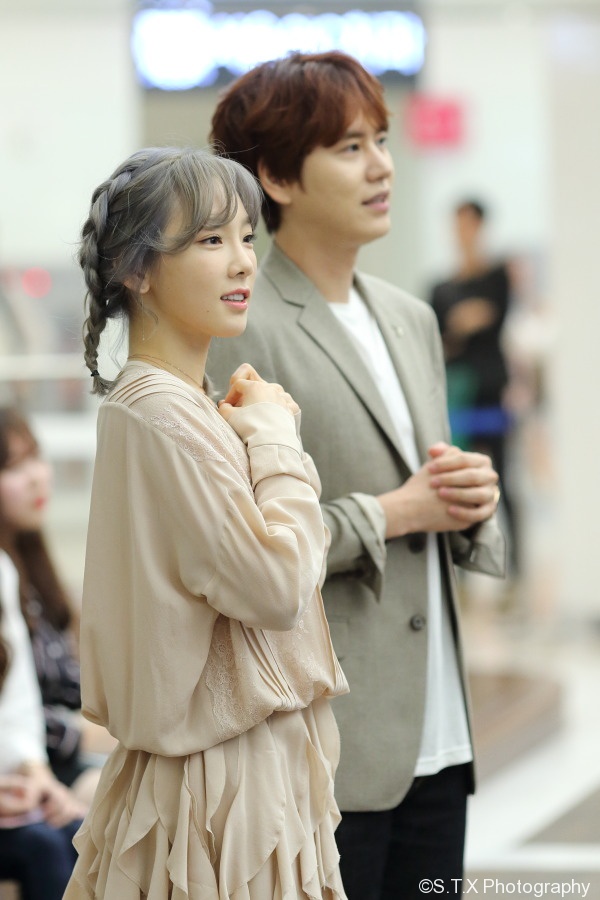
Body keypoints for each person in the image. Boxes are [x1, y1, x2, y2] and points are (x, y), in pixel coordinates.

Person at [207, 51, 505, 899]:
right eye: (349, 147)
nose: (381, 166)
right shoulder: (240, 329)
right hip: (328, 744)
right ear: (276, 176)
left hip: (440, 739)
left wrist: (470, 500)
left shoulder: (410, 318)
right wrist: (395, 512)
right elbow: (235, 546)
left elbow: (429, 494)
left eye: (381, 140)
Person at [63, 146, 349, 899]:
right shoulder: (164, 414)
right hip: (222, 780)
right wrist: (277, 439)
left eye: (247, 237)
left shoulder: (176, 405)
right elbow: (277, 586)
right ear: (137, 269)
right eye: (210, 240)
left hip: (235, 764)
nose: (242, 261)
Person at [0, 407, 112, 801]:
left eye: (36, 457)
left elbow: (72, 686)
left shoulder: (34, 571)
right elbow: (17, 711)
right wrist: (94, 733)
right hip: (33, 769)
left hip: (56, 762)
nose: (37, 476)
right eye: (14, 466)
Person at [430, 200, 519, 576]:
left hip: (491, 391)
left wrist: (464, 323)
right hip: (457, 394)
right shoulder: (442, 286)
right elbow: (440, 335)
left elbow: (493, 319)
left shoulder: (497, 276)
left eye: (468, 223)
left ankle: (514, 568)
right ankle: (462, 569)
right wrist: (464, 322)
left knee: (504, 479)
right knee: (458, 481)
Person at [0, 549, 84, 900]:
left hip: (9, 786)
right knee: (42, 845)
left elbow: (17, 703)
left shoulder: (3, 570)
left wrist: (39, 776)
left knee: (82, 832)